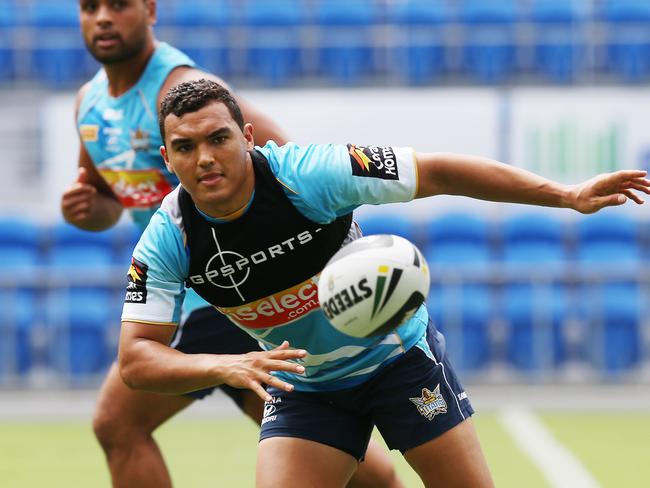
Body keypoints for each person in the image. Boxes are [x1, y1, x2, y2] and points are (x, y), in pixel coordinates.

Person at [117, 78, 650, 488]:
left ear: (247, 137)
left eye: (218, 138)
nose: (205, 157)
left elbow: (438, 171)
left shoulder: (308, 175)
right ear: (167, 159)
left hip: (398, 361)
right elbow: (136, 359)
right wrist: (224, 365)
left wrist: (564, 195)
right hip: (308, 386)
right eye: (185, 147)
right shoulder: (170, 238)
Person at [61, 1, 402, 487]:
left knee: (118, 423)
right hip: (203, 292)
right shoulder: (88, 105)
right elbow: (105, 204)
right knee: (341, 452)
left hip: (216, 293)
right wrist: (83, 208)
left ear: (150, 10)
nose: (102, 18)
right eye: (90, 7)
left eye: (118, 5)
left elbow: (277, 161)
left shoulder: (178, 90)